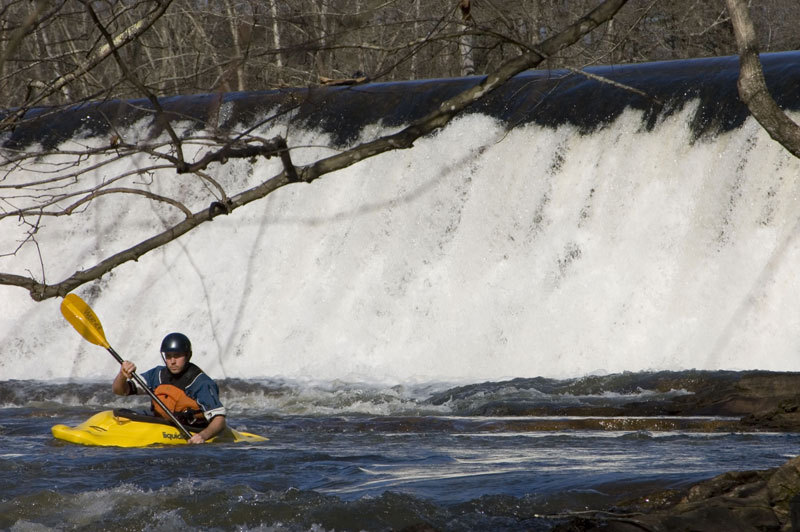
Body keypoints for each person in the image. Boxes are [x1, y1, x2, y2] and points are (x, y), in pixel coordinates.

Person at [112, 332, 227, 444]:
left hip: (192, 429)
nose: (172, 361)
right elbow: (120, 391)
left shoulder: (201, 383)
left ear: (188, 355)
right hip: (163, 424)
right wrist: (122, 375)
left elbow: (219, 420)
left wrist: (202, 436)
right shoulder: (157, 374)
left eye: (177, 356)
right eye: (168, 356)